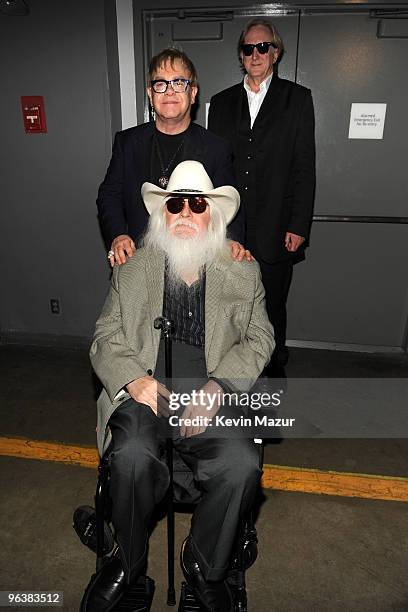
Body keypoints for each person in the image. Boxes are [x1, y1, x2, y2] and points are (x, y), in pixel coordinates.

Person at [81, 160, 274, 612]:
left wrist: (219, 386)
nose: (185, 213)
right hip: (146, 393)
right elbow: (105, 336)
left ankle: (203, 564)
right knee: (129, 455)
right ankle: (126, 561)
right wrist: (132, 379)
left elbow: (262, 337)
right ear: (162, 214)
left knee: (241, 462)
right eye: (175, 204)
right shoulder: (132, 271)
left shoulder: (242, 272)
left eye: (197, 204)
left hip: (212, 393)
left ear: (213, 214)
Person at [208, 18, 316, 367]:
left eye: (262, 47)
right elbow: (214, 168)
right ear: (241, 55)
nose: (255, 54)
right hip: (230, 229)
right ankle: (229, 370)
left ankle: (272, 367)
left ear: (276, 52)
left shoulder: (297, 100)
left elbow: (304, 167)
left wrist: (299, 225)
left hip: (277, 228)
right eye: (247, 48)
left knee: (271, 306)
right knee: (229, 305)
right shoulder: (221, 102)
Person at [97, 47, 249, 267]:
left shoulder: (216, 148)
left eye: (179, 83)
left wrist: (231, 242)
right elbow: (109, 195)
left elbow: (231, 206)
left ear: (193, 93)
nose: (169, 91)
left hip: (197, 265)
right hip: (138, 263)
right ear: (150, 94)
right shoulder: (127, 143)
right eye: (161, 84)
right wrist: (118, 235)